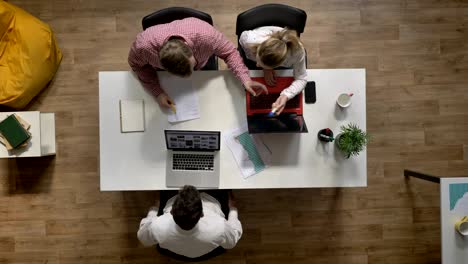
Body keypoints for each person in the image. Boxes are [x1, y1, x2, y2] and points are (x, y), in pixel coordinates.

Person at [128, 17, 267, 109]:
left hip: (203, 70)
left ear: (191, 50)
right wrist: (157, 92)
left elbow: (229, 52)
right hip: (167, 82)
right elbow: (137, 66)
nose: (190, 75)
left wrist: (245, 79)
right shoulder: (143, 47)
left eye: (191, 67)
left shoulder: (207, 36)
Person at [137, 185, 242, 259]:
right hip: (207, 252)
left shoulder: (157, 226)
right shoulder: (220, 227)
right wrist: (233, 209)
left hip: (174, 253)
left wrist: (154, 208)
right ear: (202, 214)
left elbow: (144, 239)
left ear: (172, 211)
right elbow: (231, 242)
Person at [239, 27, 307, 115]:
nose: (257, 65)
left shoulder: (297, 52)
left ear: (278, 65)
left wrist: (285, 95)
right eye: (258, 60)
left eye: (261, 64)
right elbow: (241, 38)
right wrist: (266, 68)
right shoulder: (249, 40)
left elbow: (302, 79)